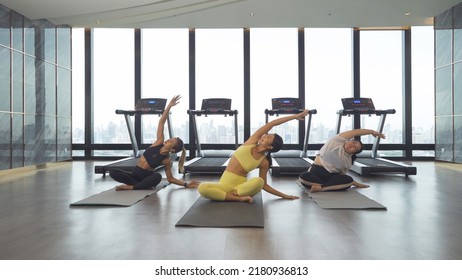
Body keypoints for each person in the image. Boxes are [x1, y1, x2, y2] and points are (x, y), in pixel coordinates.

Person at [197, 110, 309, 203]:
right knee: (202, 188)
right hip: (224, 184)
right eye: (267, 135)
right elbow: (272, 124)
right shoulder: (252, 141)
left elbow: (264, 185)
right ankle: (237, 199)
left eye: (268, 137)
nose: (264, 136)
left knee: (259, 182)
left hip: (241, 187)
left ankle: (231, 196)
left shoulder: (264, 162)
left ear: (270, 147)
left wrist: (284, 195)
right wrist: (295, 116)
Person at [110, 95, 199, 191]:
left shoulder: (166, 160)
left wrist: (186, 184)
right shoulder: (159, 141)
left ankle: (131, 187)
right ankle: (139, 186)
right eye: (170, 138)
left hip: (146, 179)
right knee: (113, 172)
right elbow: (161, 122)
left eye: (171, 141)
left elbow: (170, 179)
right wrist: (169, 105)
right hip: (134, 176)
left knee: (157, 177)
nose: (168, 140)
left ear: (172, 149)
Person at [298, 128, 385, 192]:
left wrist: (356, 184)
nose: (353, 145)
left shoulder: (348, 161)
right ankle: (328, 186)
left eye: (355, 148)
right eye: (354, 142)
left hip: (331, 177)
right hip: (316, 172)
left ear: (353, 153)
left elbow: (342, 175)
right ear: (349, 140)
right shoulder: (337, 141)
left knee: (348, 180)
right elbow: (355, 132)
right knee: (303, 177)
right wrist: (371, 132)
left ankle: (322, 188)